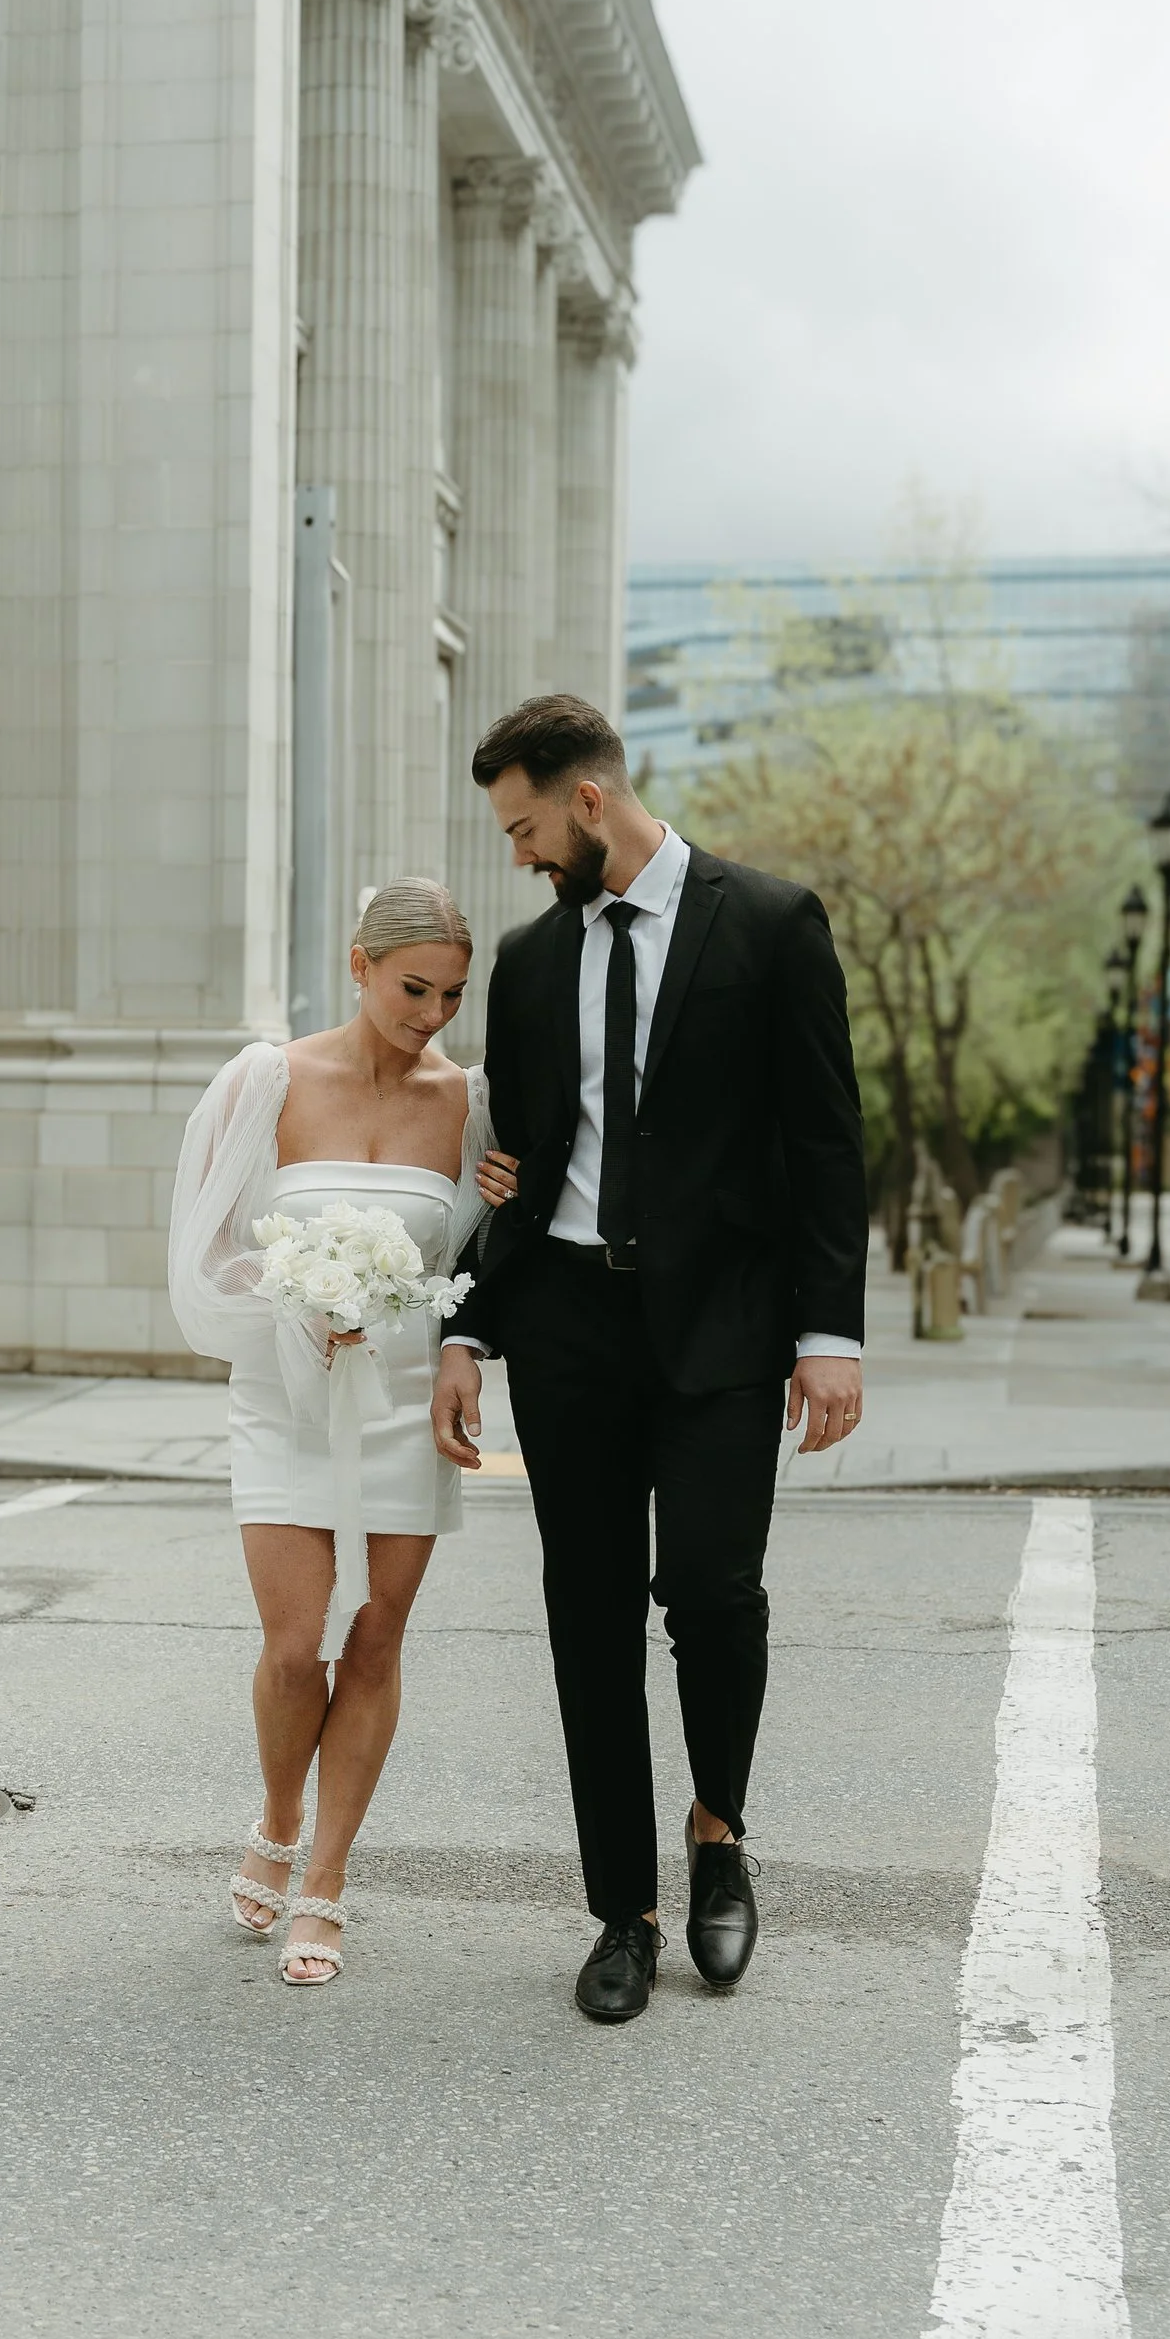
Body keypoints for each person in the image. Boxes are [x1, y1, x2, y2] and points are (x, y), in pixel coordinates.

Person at [431, 695, 869, 2024]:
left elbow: (825, 1144)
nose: (517, 855)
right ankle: (621, 1906)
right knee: (587, 1615)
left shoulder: (773, 924)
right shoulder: (526, 958)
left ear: (586, 802)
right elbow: (513, 1163)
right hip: (566, 1324)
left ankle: (719, 1836)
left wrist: (829, 1332)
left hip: (726, 1328)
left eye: (522, 827)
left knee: (716, 1598)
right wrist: (467, 1325)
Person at [168, 879, 522, 1986]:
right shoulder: (265, 1078)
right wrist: (290, 1301)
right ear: (359, 962)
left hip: (405, 1397)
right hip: (285, 1387)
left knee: (375, 1636)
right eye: (413, 987)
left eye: (452, 995)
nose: (430, 1013)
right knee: (292, 1643)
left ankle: (325, 1880)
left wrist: (500, 1203)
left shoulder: (472, 1103)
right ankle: (278, 1813)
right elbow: (207, 1245)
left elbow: (469, 1268)